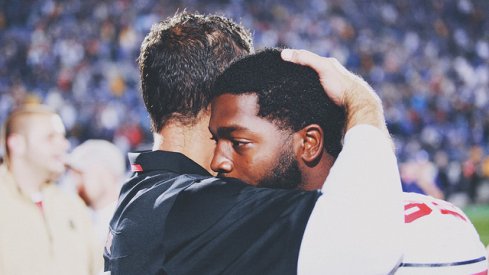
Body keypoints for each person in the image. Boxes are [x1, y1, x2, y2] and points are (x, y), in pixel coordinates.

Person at [104, 12, 403, 274]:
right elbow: (368, 246)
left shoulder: (146, 194)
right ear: (222, 102)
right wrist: (361, 101)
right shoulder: (191, 207)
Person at [209, 48, 488, 274]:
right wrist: (361, 99)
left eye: (238, 143)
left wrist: (361, 100)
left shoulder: (432, 234)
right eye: (216, 141)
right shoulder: (231, 230)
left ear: (309, 143)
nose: (217, 161)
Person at [0, 104, 102, 275]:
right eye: (50, 137)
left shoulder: (71, 205)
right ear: (16, 144)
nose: (64, 144)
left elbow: (98, 268)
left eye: (62, 137)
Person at [67, 139, 126, 247]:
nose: (75, 181)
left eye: (81, 173)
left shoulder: (131, 221)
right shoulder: (78, 219)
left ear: (105, 174)